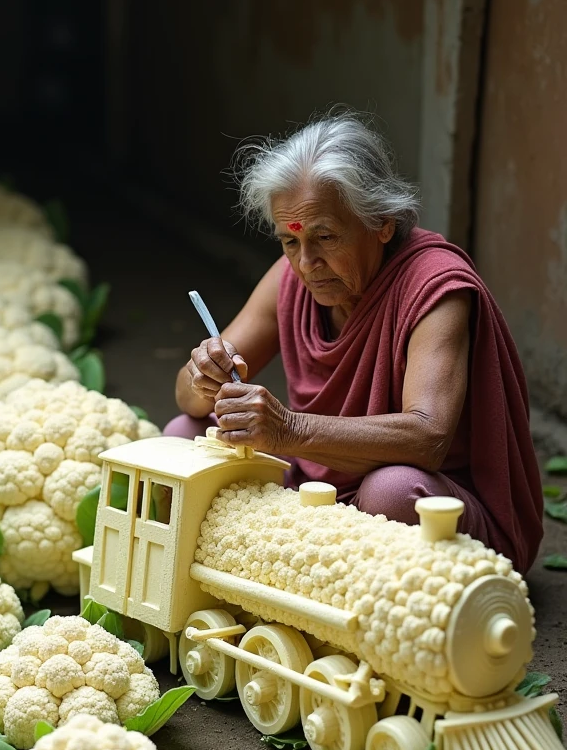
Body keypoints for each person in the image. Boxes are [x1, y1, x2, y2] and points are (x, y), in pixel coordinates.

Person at [166, 113, 543, 573]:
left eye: (325, 237)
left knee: (390, 490)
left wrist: (290, 429)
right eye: (289, 241)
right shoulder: (292, 277)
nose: (307, 264)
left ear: (382, 222)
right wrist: (202, 375)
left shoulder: (436, 287)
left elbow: (427, 438)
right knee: (183, 437)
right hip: (318, 483)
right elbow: (188, 398)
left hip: (434, 499)